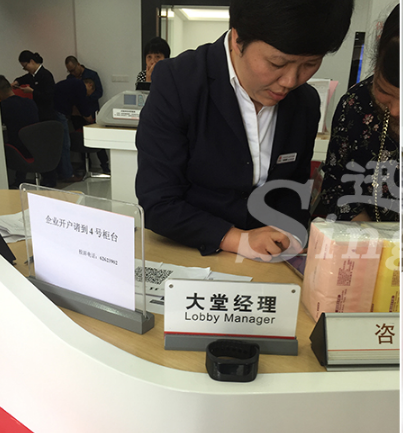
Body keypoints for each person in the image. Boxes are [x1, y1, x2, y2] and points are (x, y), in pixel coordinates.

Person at [135, 0, 354, 260]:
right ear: (238, 39)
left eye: (309, 64)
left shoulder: (304, 102)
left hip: (267, 260)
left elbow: (291, 188)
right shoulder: (179, 81)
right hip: (190, 251)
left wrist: (292, 236)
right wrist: (237, 239)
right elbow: (157, 201)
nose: (290, 81)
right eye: (277, 63)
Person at [317, 4, 400, 222]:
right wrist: (364, 229)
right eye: (384, 92)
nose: (396, 110)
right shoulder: (357, 104)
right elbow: (335, 185)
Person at [52, 78, 95, 183]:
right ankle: (68, 174)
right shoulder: (80, 86)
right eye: (89, 93)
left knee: (58, 144)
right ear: (89, 85)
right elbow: (82, 106)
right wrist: (91, 120)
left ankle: (60, 172)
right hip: (59, 113)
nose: (87, 95)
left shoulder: (71, 84)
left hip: (52, 111)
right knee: (65, 144)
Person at [0, 74, 39, 188]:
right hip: (36, 147)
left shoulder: (4, 106)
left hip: (17, 150)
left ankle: (12, 182)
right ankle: (19, 180)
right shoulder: (30, 103)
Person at [12, 51, 56, 122]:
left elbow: (48, 97)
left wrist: (32, 91)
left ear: (32, 61)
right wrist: (17, 82)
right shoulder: (32, 75)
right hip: (38, 112)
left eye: (25, 66)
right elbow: (23, 79)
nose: (26, 69)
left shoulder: (46, 75)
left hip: (47, 113)